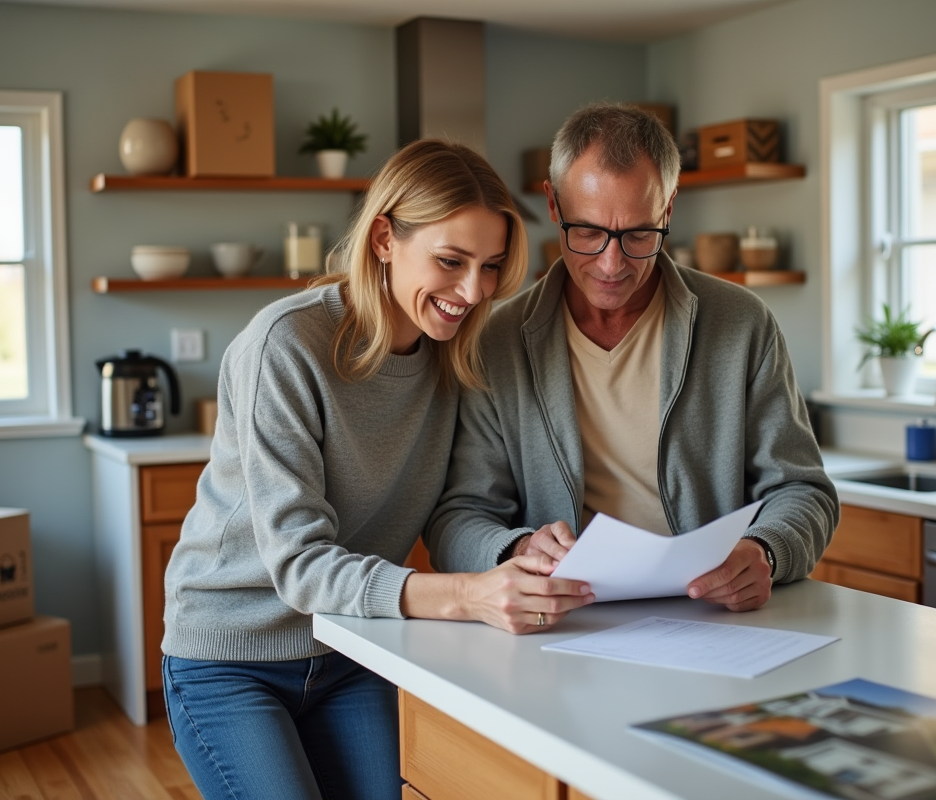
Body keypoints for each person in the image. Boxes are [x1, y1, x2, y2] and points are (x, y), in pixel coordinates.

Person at [161, 139, 594, 800]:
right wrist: (468, 596)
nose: (472, 292)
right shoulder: (286, 345)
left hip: (352, 647)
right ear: (385, 238)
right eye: (450, 261)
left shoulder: (456, 356)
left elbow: (454, 509)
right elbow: (301, 566)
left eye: (490, 267)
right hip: (232, 657)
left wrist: (515, 548)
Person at [428, 104, 839, 617]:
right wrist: (518, 549)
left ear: (668, 209)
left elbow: (803, 489)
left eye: (639, 235)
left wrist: (767, 551)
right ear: (553, 204)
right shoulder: (496, 342)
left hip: (713, 621)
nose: (611, 264)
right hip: (563, 624)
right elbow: (458, 517)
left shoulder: (742, 324)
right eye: (588, 232)